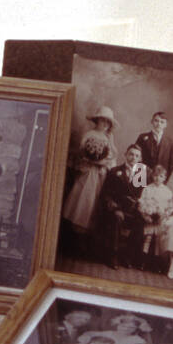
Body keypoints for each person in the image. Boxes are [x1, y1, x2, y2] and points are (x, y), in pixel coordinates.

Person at [61, 106, 118, 251]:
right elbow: (82, 154)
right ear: (97, 121)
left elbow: (112, 157)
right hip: (88, 173)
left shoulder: (109, 137)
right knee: (83, 203)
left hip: (101, 174)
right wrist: (93, 159)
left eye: (108, 122)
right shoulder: (89, 135)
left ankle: (88, 241)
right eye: (102, 121)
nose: (105, 124)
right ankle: (75, 240)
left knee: (95, 204)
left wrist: (105, 163)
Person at [97, 144, 147, 269]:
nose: (133, 158)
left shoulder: (140, 173)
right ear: (125, 155)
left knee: (140, 222)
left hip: (132, 210)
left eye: (136, 155)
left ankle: (127, 256)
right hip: (116, 208)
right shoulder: (115, 171)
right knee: (117, 218)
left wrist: (139, 206)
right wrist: (116, 208)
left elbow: (140, 194)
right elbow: (106, 194)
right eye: (131, 154)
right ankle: (113, 255)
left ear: (140, 159)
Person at [138, 163, 173, 266]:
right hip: (149, 218)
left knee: (158, 239)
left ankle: (156, 262)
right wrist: (146, 215)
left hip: (160, 220)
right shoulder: (147, 189)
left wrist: (164, 215)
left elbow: (170, 207)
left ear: (165, 178)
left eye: (161, 176)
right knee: (147, 238)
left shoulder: (167, 191)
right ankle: (143, 260)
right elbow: (141, 204)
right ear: (152, 176)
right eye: (156, 176)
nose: (158, 178)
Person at [133, 111, 173, 181]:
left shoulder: (170, 142)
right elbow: (136, 157)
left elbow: (172, 164)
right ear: (152, 122)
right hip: (143, 175)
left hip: (161, 178)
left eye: (162, 122)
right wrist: (139, 177)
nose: (159, 124)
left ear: (166, 125)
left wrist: (167, 179)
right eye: (156, 121)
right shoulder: (142, 138)